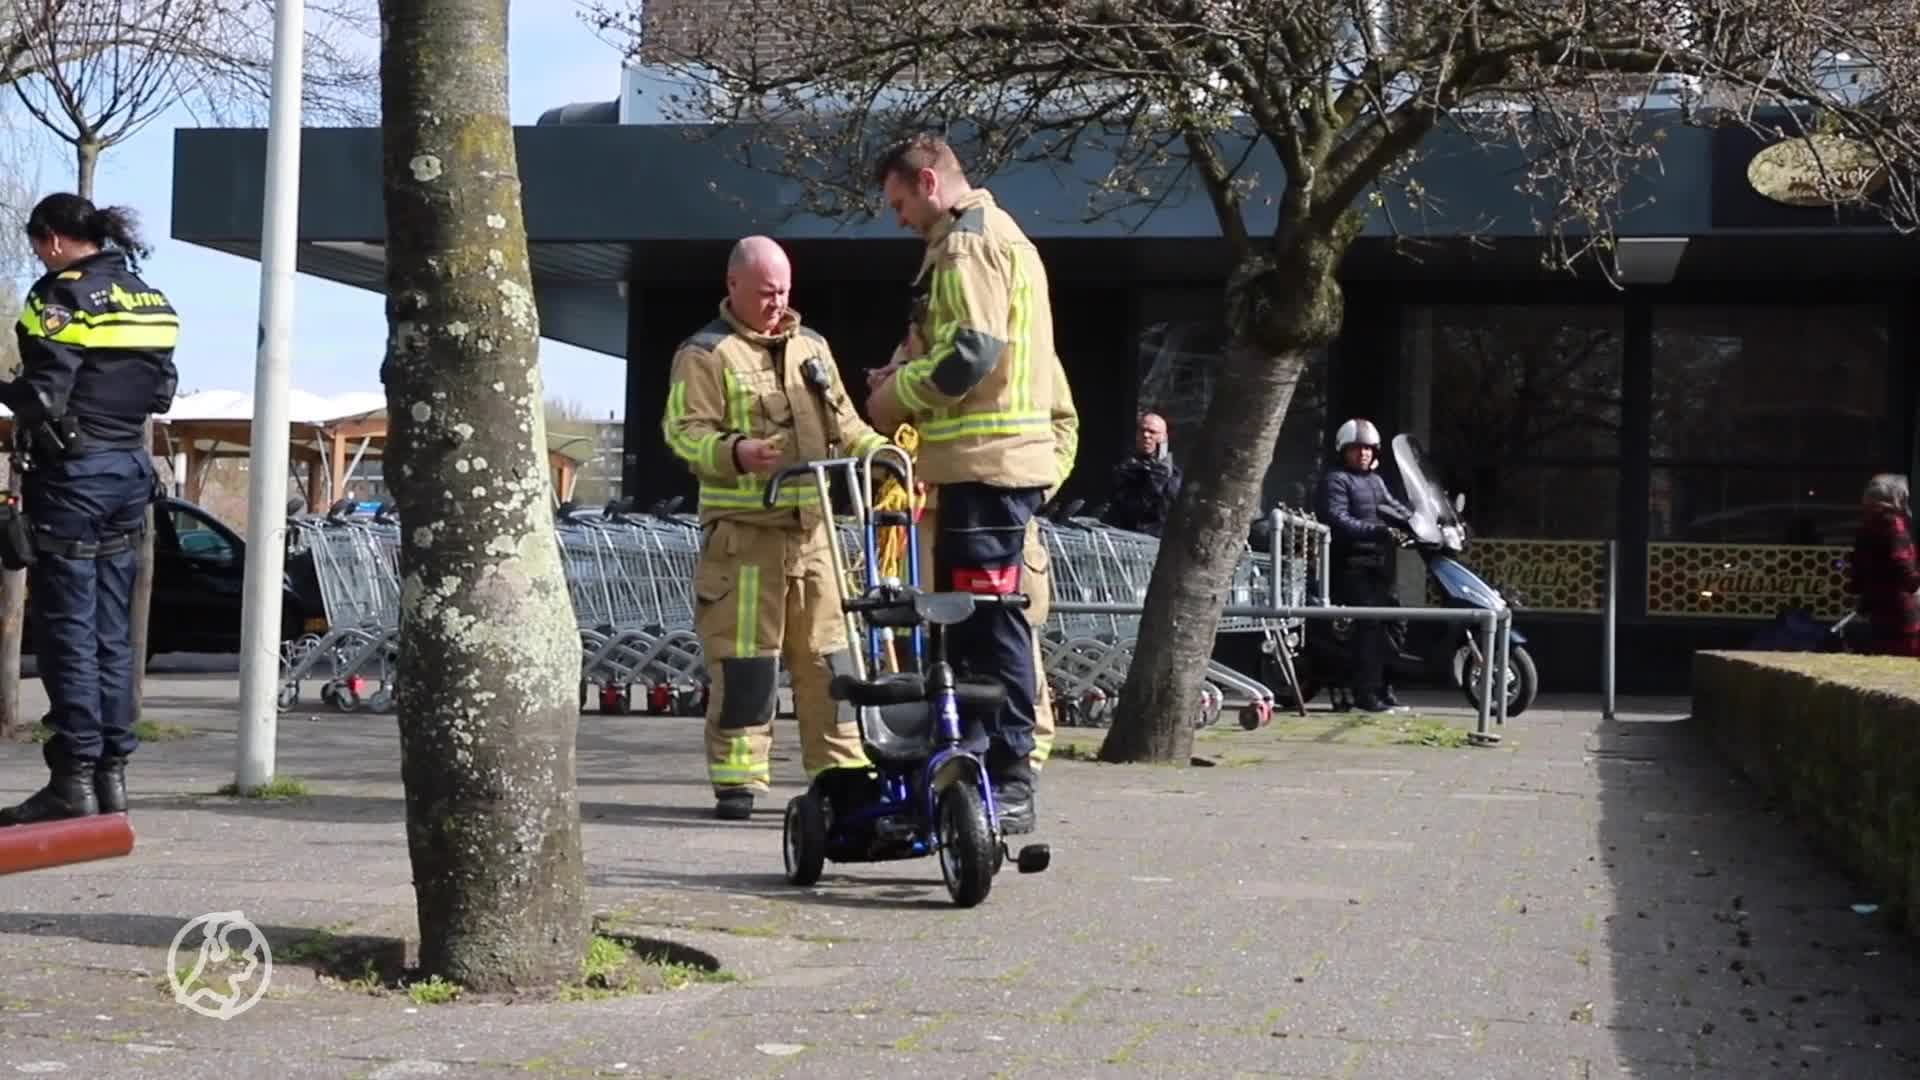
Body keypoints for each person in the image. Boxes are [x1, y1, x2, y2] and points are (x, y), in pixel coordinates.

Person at [865, 132, 1070, 834]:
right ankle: (977, 769)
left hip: (987, 468)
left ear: (927, 182)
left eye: (898, 202)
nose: (897, 219)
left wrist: (893, 398)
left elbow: (971, 355)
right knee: (975, 629)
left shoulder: (967, 244)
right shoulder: (991, 237)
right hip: (980, 470)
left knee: (992, 626)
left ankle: (1008, 774)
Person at [662, 235, 894, 820]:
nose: (777, 301)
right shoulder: (705, 354)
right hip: (744, 540)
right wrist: (735, 451)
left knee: (830, 661)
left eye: (785, 290)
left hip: (814, 537)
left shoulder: (810, 346)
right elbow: (683, 432)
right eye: (766, 292)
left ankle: (839, 771)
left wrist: (881, 452)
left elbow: (844, 420)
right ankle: (739, 780)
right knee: (747, 664)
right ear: (733, 285)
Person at [0, 194, 177, 827]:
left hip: (74, 476)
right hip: (130, 471)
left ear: (50, 240)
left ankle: (71, 780)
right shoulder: (144, 294)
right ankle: (111, 778)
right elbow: (161, 389)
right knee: (110, 630)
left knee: (66, 631)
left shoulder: (58, 296)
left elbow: (44, 395)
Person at [1317, 418, 1412, 713]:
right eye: (1356, 449)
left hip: (1376, 563)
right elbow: (1337, 517)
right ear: (1343, 450)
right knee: (1369, 625)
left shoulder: (1376, 481)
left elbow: (1394, 507)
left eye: (1368, 449)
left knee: (1395, 621)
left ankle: (1385, 687)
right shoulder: (1335, 480)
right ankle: (1365, 694)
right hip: (1350, 564)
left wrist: (1418, 522)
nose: (1363, 454)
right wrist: (1377, 531)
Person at [1844, 473, 1919, 658]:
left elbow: (1856, 580)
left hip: (1877, 616)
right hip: (1902, 616)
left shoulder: (1865, 527)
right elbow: (1906, 575)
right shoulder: (1894, 525)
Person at [1100, 411, 1180, 536]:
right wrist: (1155, 482)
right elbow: (1129, 510)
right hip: (1131, 539)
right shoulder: (1126, 469)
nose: (1146, 435)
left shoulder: (1173, 473)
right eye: (1142, 430)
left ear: (1164, 437)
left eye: (1153, 432)